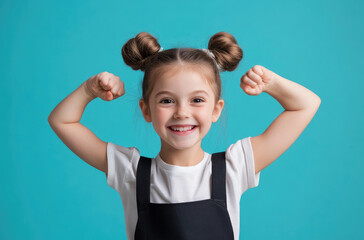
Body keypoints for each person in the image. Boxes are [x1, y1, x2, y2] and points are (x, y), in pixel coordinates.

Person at [48, 31, 321, 240]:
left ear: (216, 109)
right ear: (146, 109)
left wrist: (271, 83)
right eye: (167, 101)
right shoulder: (129, 171)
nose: (181, 112)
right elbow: (62, 121)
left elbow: (305, 105)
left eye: (197, 100)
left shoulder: (234, 167)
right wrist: (88, 90)